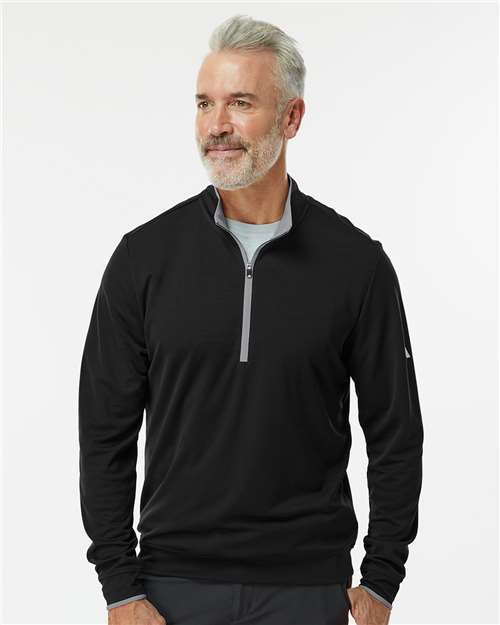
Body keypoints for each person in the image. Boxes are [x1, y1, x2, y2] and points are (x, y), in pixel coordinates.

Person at [78, 14, 424, 625]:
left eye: (240, 102)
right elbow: (105, 431)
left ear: (292, 118)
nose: (217, 124)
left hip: (307, 589)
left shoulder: (357, 264)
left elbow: (395, 431)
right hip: (172, 586)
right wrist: (119, 587)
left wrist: (382, 578)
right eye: (204, 103)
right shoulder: (143, 258)